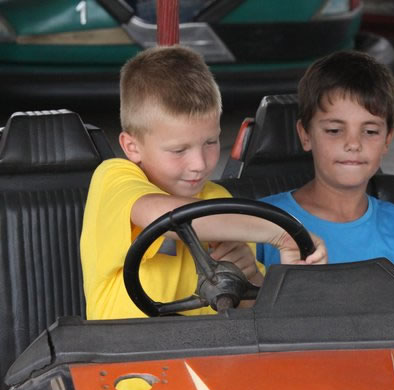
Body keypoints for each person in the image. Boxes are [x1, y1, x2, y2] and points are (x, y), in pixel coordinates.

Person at [81, 46, 326, 320]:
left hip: (206, 345)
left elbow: (254, 317)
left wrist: (249, 276)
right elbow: (158, 215)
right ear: (132, 147)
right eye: (179, 150)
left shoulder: (221, 202)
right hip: (121, 345)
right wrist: (279, 232)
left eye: (210, 142)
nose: (199, 163)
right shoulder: (114, 178)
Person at [257, 50, 394, 304]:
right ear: (305, 134)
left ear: (387, 140)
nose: (353, 144)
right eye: (334, 130)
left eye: (370, 131)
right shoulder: (262, 221)